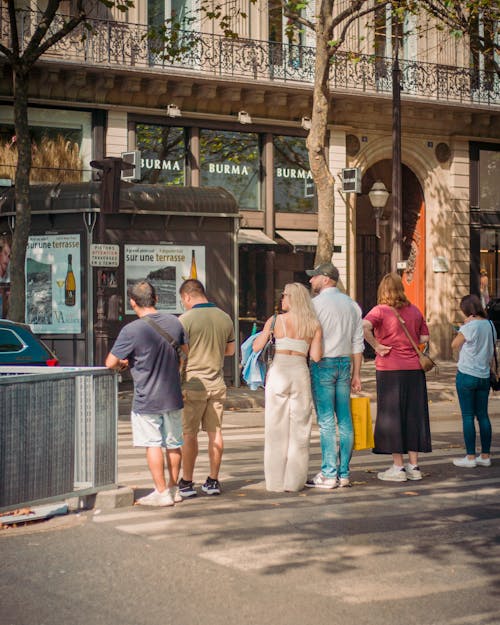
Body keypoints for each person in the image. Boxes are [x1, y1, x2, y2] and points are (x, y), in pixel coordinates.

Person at [105, 280, 186, 506]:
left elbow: (110, 362)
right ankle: (174, 488)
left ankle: (161, 492)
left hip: (146, 396)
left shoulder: (131, 330)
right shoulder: (175, 322)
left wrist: (124, 362)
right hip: (172, 394)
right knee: (173, 443)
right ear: (156, 298)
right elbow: (184, 353)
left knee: (153, 444)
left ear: (132, 303)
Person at [253, 283, 322, 492]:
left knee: (275, 428)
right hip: (300, 372)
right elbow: (316, 357)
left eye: (283, 296)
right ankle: (294, 482)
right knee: (300, 430)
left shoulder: (274, 321)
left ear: (291, 298)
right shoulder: (313, 324)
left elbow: (257, 347)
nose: (281, 299)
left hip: (279, 372)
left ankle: (275, 482)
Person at [363, 272, 431, 482]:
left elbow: (363, 327)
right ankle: (414, 466)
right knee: (413, 415)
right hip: (414, 370)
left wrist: (376, 345)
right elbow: (424, 337)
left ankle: (398, 467)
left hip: (390, 369)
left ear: (383, 291)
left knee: (392, 416)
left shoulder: (380, 310)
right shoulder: (414, 310)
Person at [304, 262, 364, 489]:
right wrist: (357, 373)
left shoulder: (315, 305)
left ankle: (329, 474)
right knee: (345, 419)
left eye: (315, 276)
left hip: (323, 363)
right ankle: (344, 473)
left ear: (326, 279)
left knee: (327, 420)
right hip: (345, 363)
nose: (311, 280)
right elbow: (358, 343)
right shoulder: (352, 305)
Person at [177, 279, 235, 497]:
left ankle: (187, 482)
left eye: (183, 300)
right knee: (215, 432)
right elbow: (230, 351)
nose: (184, 304)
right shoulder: (225, 318)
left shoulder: (185, 319)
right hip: (217, 383)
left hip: (192, 384)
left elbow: (183, 353)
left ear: (188, 296)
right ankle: (212, 480)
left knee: (189, 434)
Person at [451, 294, 495, 468]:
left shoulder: (470, 326)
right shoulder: (490, 325)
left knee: (468, 416)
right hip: (484, 376)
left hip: (467, 374)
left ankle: (470, 457)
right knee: (483, 415)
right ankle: (485, 456)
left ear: (467, 311)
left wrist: (463, 326)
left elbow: (455, 344)